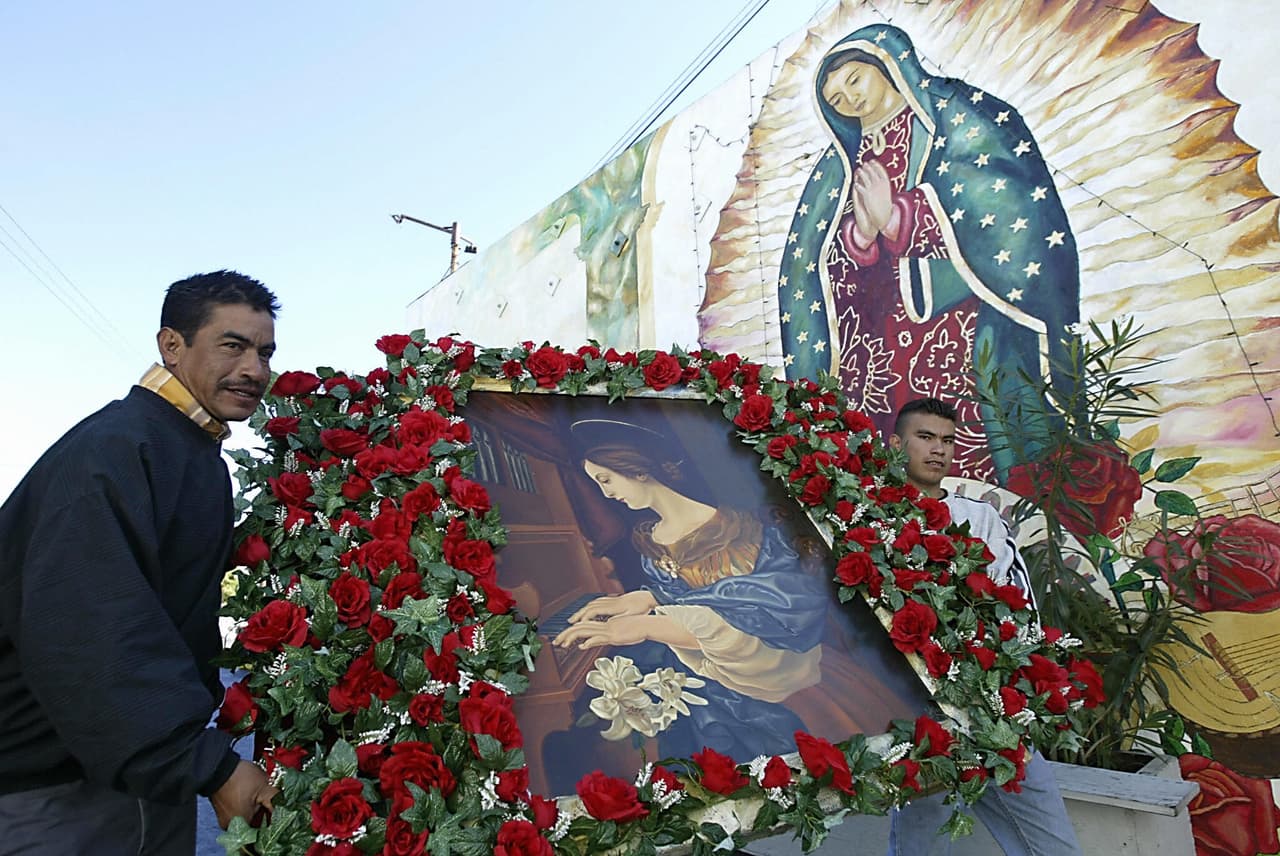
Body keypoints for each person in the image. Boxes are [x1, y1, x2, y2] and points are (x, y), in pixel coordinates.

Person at [0, 271, 281, 854]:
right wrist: (210, 768)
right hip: (56, 787)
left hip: (138, 773)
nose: (255, 370)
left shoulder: (192, 450)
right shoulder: (116, 449)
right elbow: (92, 628)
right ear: (171, 345)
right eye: (233, 345)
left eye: (265, 352)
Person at [780, 25, 1081, 481]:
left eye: (855, 81)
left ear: (886, 64)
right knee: (898, 464)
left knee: (971, 448)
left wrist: (901, 217)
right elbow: (813, 266)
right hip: (879, 344)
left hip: (959, 327)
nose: (851, 100)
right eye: (837, 100)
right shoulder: (838, 166)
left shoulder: (958, 117)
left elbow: (1002, 214)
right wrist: (859, 237)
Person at [552, 418, 931, 765]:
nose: (605, 495)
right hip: (712, 678)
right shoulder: (650, 542)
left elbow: (771, 617)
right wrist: (648, 598)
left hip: (785, 681)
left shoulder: (741, 530)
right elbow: (694, 599)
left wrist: (649, 624)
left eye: (605, 480)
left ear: (634, 468)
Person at [886, 397, 1080, 856]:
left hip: (994, 704)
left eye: (948, 440)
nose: (938, 450)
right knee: (922, 841)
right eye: (926, 437)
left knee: (1050, 837)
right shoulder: (873, 518)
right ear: (896, 444)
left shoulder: (981, 517)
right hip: (918, 714)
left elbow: (1016, 605)